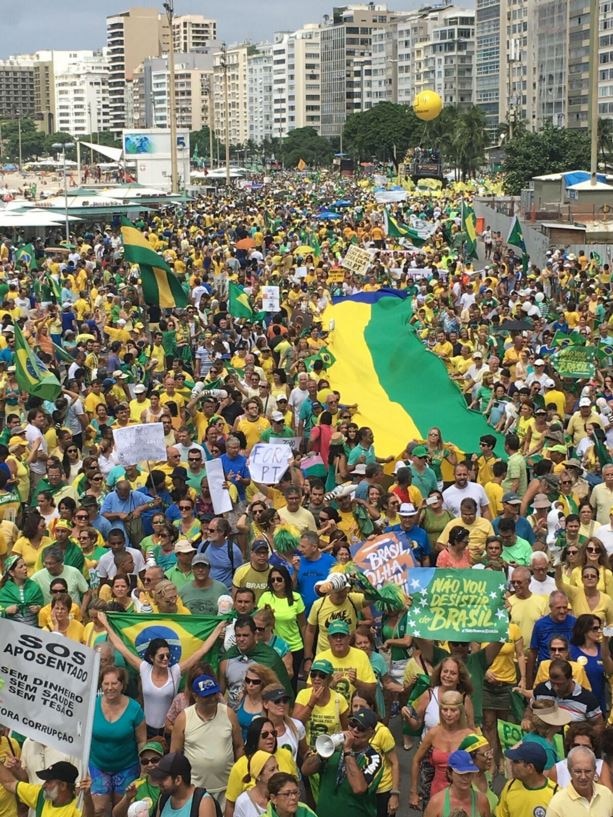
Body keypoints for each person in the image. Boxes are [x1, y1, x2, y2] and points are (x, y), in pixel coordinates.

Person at [99, 613, 226, 737]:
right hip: (146, 728)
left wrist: (218, 627)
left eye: (168, 655)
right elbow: (121, 647)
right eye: (161, 656)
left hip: (169, 729)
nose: (166, 659)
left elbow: (201, 651)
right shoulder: (144, 668)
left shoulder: (175, 671)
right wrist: (105, 623)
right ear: (151, 657)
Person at [170, 674, 244, 809]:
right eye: (206, 696)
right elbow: (175, 754)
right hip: (195, 791)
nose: (212, 699)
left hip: (227, 789)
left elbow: (239, 746)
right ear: (195, 696)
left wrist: (241, 777)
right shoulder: (184, 718)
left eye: (213, 694)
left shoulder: (228, 713)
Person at [301, 707, 383, 817]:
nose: (355, 730)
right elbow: (305, 770)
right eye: (352, 724)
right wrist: (323, 753)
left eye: (361, 728)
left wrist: (348, 751)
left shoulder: (373, 758)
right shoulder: (334, 748)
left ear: (371, 733)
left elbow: (358, 788)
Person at [89, 666, 147, 817]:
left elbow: (142, 741)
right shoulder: (91, 705)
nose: (109, 688)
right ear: (101, 684)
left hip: (127, 767)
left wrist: (144, 769)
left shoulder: (135, 709)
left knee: (122, 810)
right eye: (106, 683)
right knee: (98, 809)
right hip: (98, 765)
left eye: (114, 683)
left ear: (122, 685)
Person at [409, 690, 474, 808]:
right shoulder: (433, 733)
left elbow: (482, 765)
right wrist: (413, 792)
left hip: (463, 791)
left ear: (460, 711)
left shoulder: (469, 736)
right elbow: (416, 760)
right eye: (445, 710)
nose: (448, 714)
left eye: (453, 710)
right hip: (437, 789)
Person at [225, 719, 298, 817]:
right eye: (265, 735)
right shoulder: (239, 766)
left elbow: (295, 789)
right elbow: (230, 804)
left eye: (273, 733)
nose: (271, 737)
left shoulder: (286, 755)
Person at [257, 566, 306, 687]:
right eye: (272, 580)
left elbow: (303, 624)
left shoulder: (296, 598)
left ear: (286, 580)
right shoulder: (266, 597)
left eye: (279, 579)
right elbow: (259, 621)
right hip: (272, 646)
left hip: (294, 646)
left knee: (291, 683)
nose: (275, 582)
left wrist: (307, 652)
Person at [0, 760, 93, 817]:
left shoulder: (76, 808)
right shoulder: (41, 795)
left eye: (48, 781)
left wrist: (88, 798)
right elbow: (10, 783)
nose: (44, 785)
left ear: (63, 786)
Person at [293, 658, 350, 748]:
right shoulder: (303, 694)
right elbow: (295, 725)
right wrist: (311, 704)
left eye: (322, 676)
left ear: (330, 679)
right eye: (313, 675)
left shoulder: (339, 699)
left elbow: (346, 730)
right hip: (307, 751)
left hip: (331, 750)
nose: (317, 678)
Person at [533, 658, 603, 726]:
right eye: (552, 683)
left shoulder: (587, 699)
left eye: (560, 684)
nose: (556, 688)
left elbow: (599, 725)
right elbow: (531, 709)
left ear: (570, 678)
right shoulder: (541, 690)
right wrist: (527, 719)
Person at [546, 746, 613, 817]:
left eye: (588, 771)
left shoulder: (606, 794)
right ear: (569, 771)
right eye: (578, 772)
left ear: (594, 771)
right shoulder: (557, 804)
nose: (583, 777)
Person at [497, 742, 559, 817]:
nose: (511, 764)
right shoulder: (510, 786)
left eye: (516, 761)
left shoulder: (556, 795)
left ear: (530, 767)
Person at [422, 750, 491, 817]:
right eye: (460, 774)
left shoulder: (482, 801)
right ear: (449, 773)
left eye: (469, 773)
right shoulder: (436, 803)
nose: (465, 778)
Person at [148, 752, 217, 817]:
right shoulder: (163, 799)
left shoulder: (203, 802)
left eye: (163, 778)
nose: (159, 782)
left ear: (178, 780)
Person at [112, 741, 164, 817]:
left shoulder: (170, 783)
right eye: (145, 761)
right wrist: (127, 798)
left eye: (155, 760)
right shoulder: (137, 784)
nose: (150, 764)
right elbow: (116, 815)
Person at [0, 553, 44, 626]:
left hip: (33, 630)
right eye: (21, 567)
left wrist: (38, 608)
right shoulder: (4, 592)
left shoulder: (34, 587)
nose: (25, 568)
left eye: (25, 565)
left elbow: (43, 607)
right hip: (12, 631)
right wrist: (6, 611)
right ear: (11, 573)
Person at [233, 752, 279, 817]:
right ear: (258, 776)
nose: (278, 772)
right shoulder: (243, 802)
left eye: (277, 767)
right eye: (272, 769)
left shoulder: (283, 794)